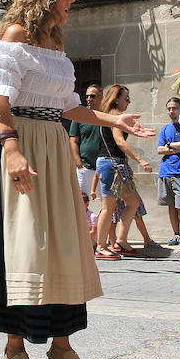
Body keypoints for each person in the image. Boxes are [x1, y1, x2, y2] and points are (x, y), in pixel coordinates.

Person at [0, 0, 153, 359]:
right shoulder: (15, 35)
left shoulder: (55, 43)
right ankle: (15, 345)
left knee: (65, 243)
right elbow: (0, 101)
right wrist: (11, 149)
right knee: (24, 242)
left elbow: (68, 107)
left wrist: (114, 120)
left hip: (53, 143)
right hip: (21, 141)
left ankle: (62, 346)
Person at [93, 84, 152, 260]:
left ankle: (121, 240)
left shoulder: (112, 115)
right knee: (108, 208)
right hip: (110, 164)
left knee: (133, 202)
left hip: (115, 164)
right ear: (116, 99)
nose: (129, 102)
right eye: (126, 98)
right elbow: (119, 141)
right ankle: (101, 247)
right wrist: (140, 160)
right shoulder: (114, 116)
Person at [69, 84, 104, 242]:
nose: (89, 99)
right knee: (81, 203)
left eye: (93, 96)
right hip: (85, 167)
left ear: (101, 97)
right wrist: (77, 160)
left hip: (103, 168)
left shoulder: (106, 115)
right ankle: (80, 238)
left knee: (106, 205)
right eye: (87, 96)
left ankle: (102, 239)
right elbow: (73, 140)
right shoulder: (80, 115)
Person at [156, 96, 180, 245]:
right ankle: (176, 234)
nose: (171, 111)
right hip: (165, 172)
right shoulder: (165, 129)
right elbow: (159, 150)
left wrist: (169, 146)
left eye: (174, 108)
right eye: (169, 109)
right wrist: (176, 147)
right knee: (171, 206)